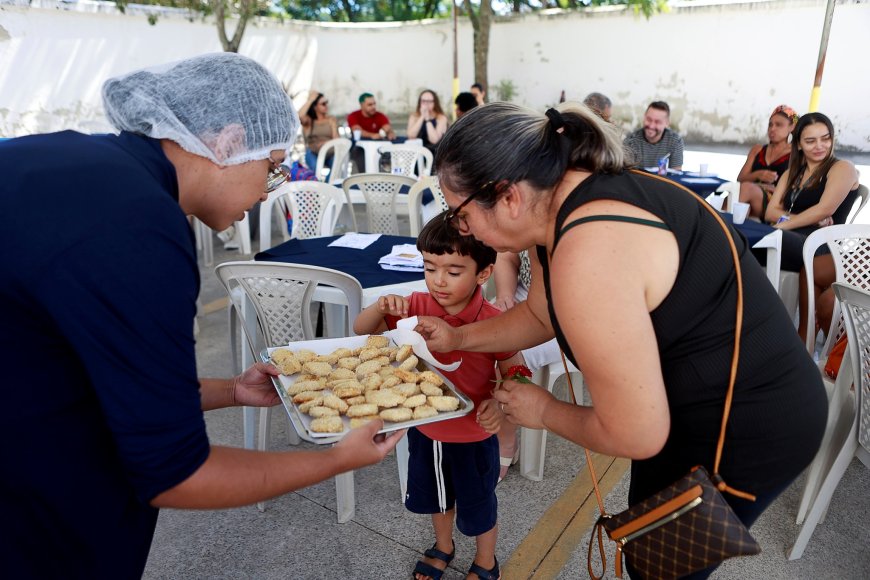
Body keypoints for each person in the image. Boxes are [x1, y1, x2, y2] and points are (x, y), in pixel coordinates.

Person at [0, 53, 403, 578]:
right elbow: (176, 473)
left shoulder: (77, 164)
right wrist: (336, 458)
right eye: (271, 166)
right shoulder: (139, 224)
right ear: (230, 142)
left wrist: (232, 391)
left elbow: (96, 377)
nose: (267, 192)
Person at [415, 102, 827, 580]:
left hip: (751, 420)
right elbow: (539, 314)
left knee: (662, 565)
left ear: (506, 196)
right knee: (644, 545)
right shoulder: (559, 202)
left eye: (460, 215)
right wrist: (458, 337)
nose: (462, 229)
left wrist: (542, 410)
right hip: (687, 399)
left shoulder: (589, 249)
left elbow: (636, 432)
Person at [353, 212, 523, 580]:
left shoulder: (493, 321)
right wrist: (380, 307)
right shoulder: (415, 306)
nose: (438, 281)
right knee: (437, 497)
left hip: (474, 434)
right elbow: (361, 330)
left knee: (479, 506)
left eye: (453, 271)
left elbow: (517, 371)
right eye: (430, 268)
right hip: (427, 430)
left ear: (483, 273)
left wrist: (501, 403)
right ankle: (443, 546)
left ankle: (486, 560)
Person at [763, 112, 860, 343]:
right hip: (796, 242)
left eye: (825, 138)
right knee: (751, 243)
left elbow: (824, 209)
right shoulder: (792, 173)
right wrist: (798, 219)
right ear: (798, 144)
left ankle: (794, 338)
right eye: (810, 141)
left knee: (766, 239)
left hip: (822, 247)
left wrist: (783, 226)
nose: (819, 146)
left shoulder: (842, 168)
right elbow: (770, 212)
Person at [737, 104, 798, 218]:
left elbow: (795, 189)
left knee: (746, 190)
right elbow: (740, 179)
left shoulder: (796, 154)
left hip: (776, 203)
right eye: (770, 125)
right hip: (751, 197)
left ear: (792, 127)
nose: (772, 129)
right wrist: (758, 174)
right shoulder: (758, 150)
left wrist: (765, 187)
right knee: (742, 203)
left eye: (779, 125)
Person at [624, 100, 684, 170]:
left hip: (663, 180)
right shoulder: (631, 141)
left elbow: (676, 173)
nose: (651, 126)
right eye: (648, 119)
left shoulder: (675, 141)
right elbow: (627, 174)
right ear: (644, 117)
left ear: (667, 123)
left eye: (657, 122)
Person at [298, 90, 339, 172]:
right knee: (315, 169)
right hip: (313, 152)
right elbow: (298, 116)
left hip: (330, 152)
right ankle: (317, 183)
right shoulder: (309, 121)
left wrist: (325, 143)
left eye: (327, 102)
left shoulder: (331, 119)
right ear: (315, 106)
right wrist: (310, 100)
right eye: (323, 104)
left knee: (336, 168)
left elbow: (337, 140)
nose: (326, 105)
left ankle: (328, 184)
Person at [407, 89, 449, 154]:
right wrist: (422, 117)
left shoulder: (441, 118)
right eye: (423, 101)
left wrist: (427, 119)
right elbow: (411, 136)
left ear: (435, 103)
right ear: (419, 102)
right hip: (417, 153)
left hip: (435, 152)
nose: (426, 104)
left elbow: (434, 140)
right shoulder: (414, 116)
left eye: (429, 101)